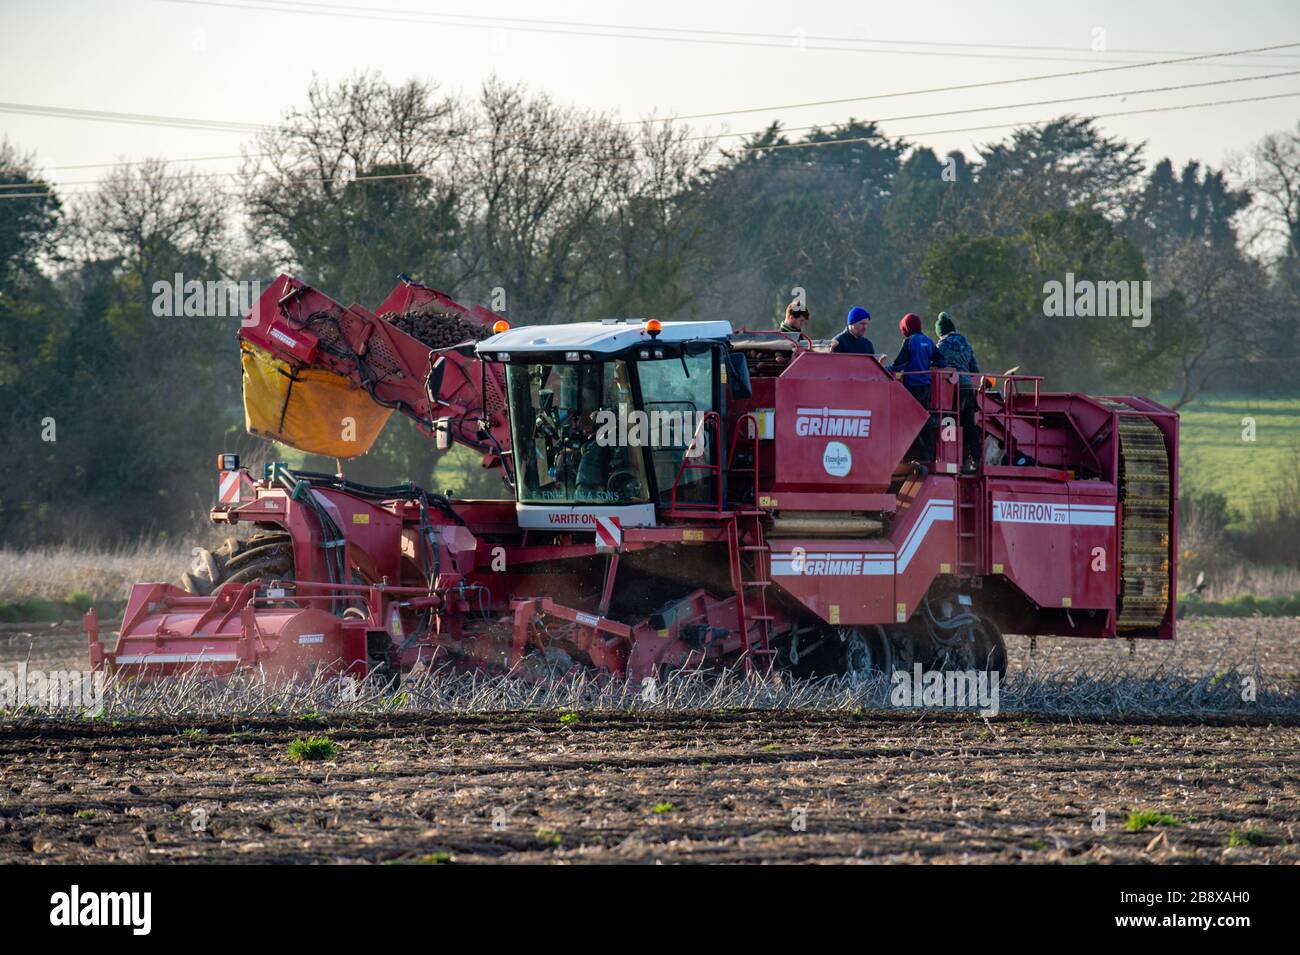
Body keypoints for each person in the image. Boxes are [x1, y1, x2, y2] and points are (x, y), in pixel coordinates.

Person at [888, 312, 944, 463]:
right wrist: (928, 366)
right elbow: (941, 362)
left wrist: (884, 368)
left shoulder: (909, 342)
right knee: (925, 420)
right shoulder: (929, 341)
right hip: (926, 388)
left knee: (911, 422)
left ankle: (919, 456)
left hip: (912, 387)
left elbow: (898, 365)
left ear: (906, 327)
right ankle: (931, 457)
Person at [934, 311, 982, 471]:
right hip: (968, 387)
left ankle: (955, 462)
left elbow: (934, 367)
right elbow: (975, 370)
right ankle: (977, 458)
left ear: (941, 332)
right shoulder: (966, 344)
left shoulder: (941, 346)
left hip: (952, 388)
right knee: (968, 424)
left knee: (950, 423)